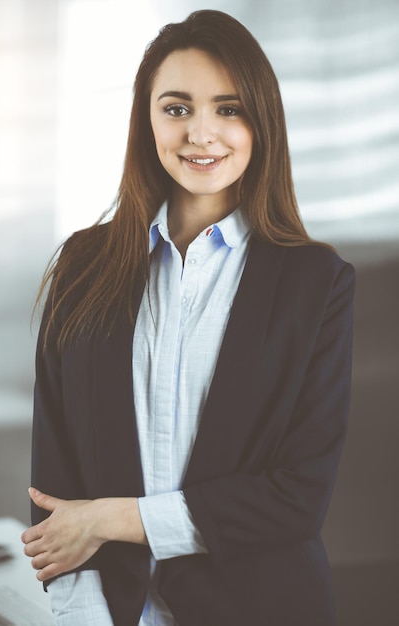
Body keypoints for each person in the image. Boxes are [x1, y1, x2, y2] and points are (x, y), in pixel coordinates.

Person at [21, 9, 355, 626]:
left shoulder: (317, 283)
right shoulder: (83, 265)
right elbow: (56, 481)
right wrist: (85, 616)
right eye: (176, 109)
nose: (202, 133)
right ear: (147, 121)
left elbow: (295, 497)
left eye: (229, 109)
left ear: (263, 123)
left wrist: (114, 519)